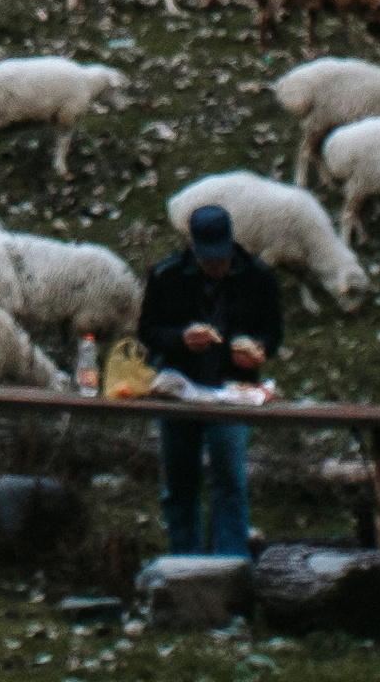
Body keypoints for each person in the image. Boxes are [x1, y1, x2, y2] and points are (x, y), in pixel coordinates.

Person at [135, 204, 286, 557]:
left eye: (221, 259)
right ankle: (184, 563)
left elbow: (273, 331)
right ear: (193, 248)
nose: (217, 267)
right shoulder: (166, 276)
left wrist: (257, 350)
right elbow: (148, 331)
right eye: (208, 260)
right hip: (180, 390)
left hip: (232, 391)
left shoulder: (257, 276)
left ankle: (230, 566)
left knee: (229, 482)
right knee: (179, 484)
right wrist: (180, 339)